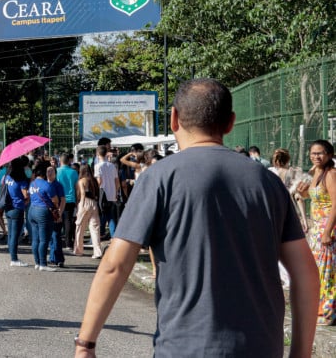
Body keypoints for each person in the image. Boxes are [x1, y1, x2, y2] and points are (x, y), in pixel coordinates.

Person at [75, 78, 318, 357]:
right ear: (230, 123)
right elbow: (306, 274)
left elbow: (115, 266)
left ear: (174, 118)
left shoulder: (158, 178)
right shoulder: (269, 183)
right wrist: (300, 352)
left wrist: (86, 344)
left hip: (185, 347)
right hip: (262, 347)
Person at [297, 140, 336, 325]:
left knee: (328, 272)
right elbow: (316, 200)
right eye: (313, 153)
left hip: (328, 229)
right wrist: (304, 193)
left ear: (329, 154)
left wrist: (328, 231)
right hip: (316, 229)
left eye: (320, 153)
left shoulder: (331, 174)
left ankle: (329, 313)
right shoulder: (316, 173)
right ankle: (322, 309)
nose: (316, 156)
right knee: (318, 271)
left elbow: (335, 203)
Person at [28, 161, 61, 271]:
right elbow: (55, 200)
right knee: (44, 240)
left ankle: (37, 262)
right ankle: (43, 264)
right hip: (43, 212)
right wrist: (56, 206)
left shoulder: (32, 183)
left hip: (32, 211)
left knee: (35, 239)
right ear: (44, 173)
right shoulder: (47, 185)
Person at [4, 156, 30, 267]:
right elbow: (25, 195)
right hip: (17, 208)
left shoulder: (8, 177)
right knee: (15, 235)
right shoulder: (21, 180)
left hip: (8, 207)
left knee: (11, 233)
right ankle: (14, 259)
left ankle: (11, 255)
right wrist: (28, 198)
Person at [73, 164, 102, 259]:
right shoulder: (93, 180)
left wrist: (80, 206)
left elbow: (82, 193)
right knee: (95, 228)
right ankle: (97, 252)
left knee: (80, 227)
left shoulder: (81, 181)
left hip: (84, 203)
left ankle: (78, 250)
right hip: (94, 203)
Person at [93, 145, 120, 239]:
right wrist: (116, 192)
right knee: (110, 216)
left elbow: (99, 181)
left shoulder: (97, 166)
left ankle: (100, 233)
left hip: (102, 193)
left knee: (103, 215)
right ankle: (112, 235)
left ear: (97, 154)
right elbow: (117, 181)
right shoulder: (112, 165)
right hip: (112, 193)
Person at [56, 153, 79, 251]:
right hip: (70, 199)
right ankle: (68, 243)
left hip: (59, 199)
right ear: (69, 161)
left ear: (60, 161)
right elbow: (76, 187)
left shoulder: (57, 171)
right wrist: (77, 200)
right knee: (68, 221)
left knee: (58, 219)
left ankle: (57, 241)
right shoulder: (74, 172)